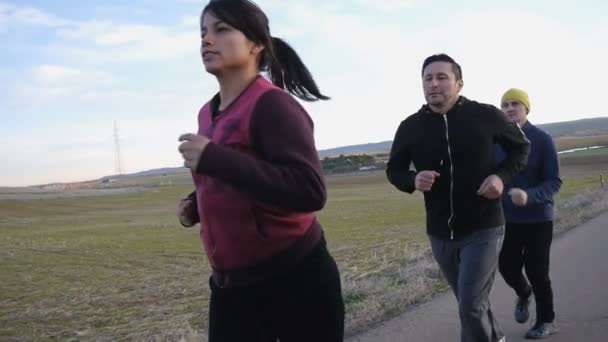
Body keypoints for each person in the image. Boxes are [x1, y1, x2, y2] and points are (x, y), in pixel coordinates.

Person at [176, 1, 344, 341]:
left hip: (295, 281)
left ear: (256, 44)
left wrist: (214, 158)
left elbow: (309, 190)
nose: (207, 40)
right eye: (203, 32)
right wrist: (197, 204)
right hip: (230, 288)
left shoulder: (273, 105)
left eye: (221, 30)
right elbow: (237, 178)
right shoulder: (206, 114)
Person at [386, 53, 530, 342]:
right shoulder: (410, 127)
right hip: (440, 232)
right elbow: (394, 170)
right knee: (471, 302)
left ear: (459, 84)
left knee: (469, 305)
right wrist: (412, 179)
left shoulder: (485, 115)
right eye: (428, 78)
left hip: (484, 226)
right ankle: (496, 336)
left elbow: (521, 148)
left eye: (442, 77)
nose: (434, 84)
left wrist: (500, 177)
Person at [497, 88, 562, 339]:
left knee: (537, 271)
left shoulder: (543, 140)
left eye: (515, 104)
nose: (510, 108)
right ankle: (524, 294)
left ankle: (547, 320)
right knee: (507, 267)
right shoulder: (497, 143)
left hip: (538, 219)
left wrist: (529, 196)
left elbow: (554, 181)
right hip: (507, 219)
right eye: (505, 105)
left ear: (526, 109)